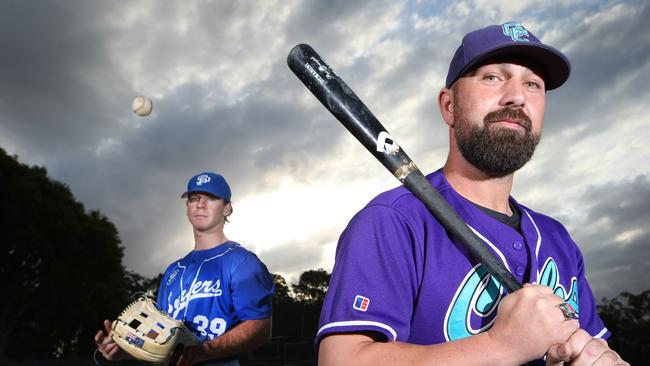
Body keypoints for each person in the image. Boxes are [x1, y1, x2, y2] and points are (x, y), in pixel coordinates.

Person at [317, 22, 628, 365]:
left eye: (532, 84)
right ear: (448, 106)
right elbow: (342, 359)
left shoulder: (558, 239)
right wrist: (500, 346)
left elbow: (593, 348)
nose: (517, 95)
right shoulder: (394, 221)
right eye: (493, 77)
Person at [95, 172, 274, 366]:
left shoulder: (242, 262)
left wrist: (203, 352)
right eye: (194, 199)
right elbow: (162, 341)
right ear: (187, 209)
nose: (200, 204)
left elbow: (261, 329)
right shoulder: (173, 271)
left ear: (227, 209)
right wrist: (128, 349)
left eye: (211, 198)